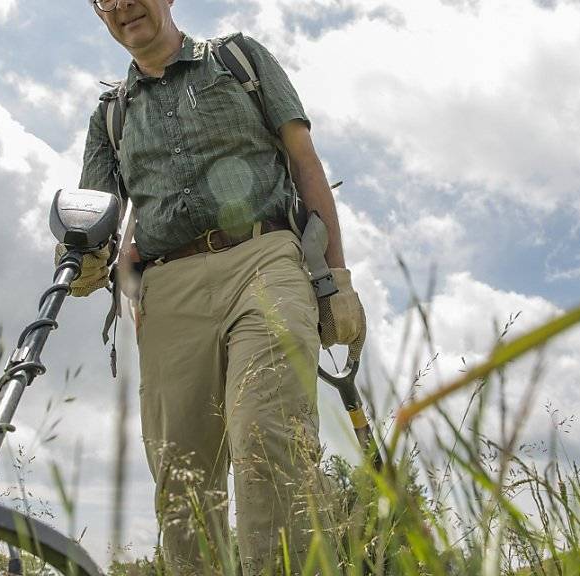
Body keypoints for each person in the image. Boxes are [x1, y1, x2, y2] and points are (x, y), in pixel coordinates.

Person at [64, 0, 366, 572]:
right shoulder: (111, 114)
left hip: (265, 259)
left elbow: (305, 161)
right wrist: (86, 259)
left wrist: (338, 280)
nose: (124, 5)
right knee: (183, 479)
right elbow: (97, 216)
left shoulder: (238, 59)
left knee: (269, 442)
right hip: (166, 290)